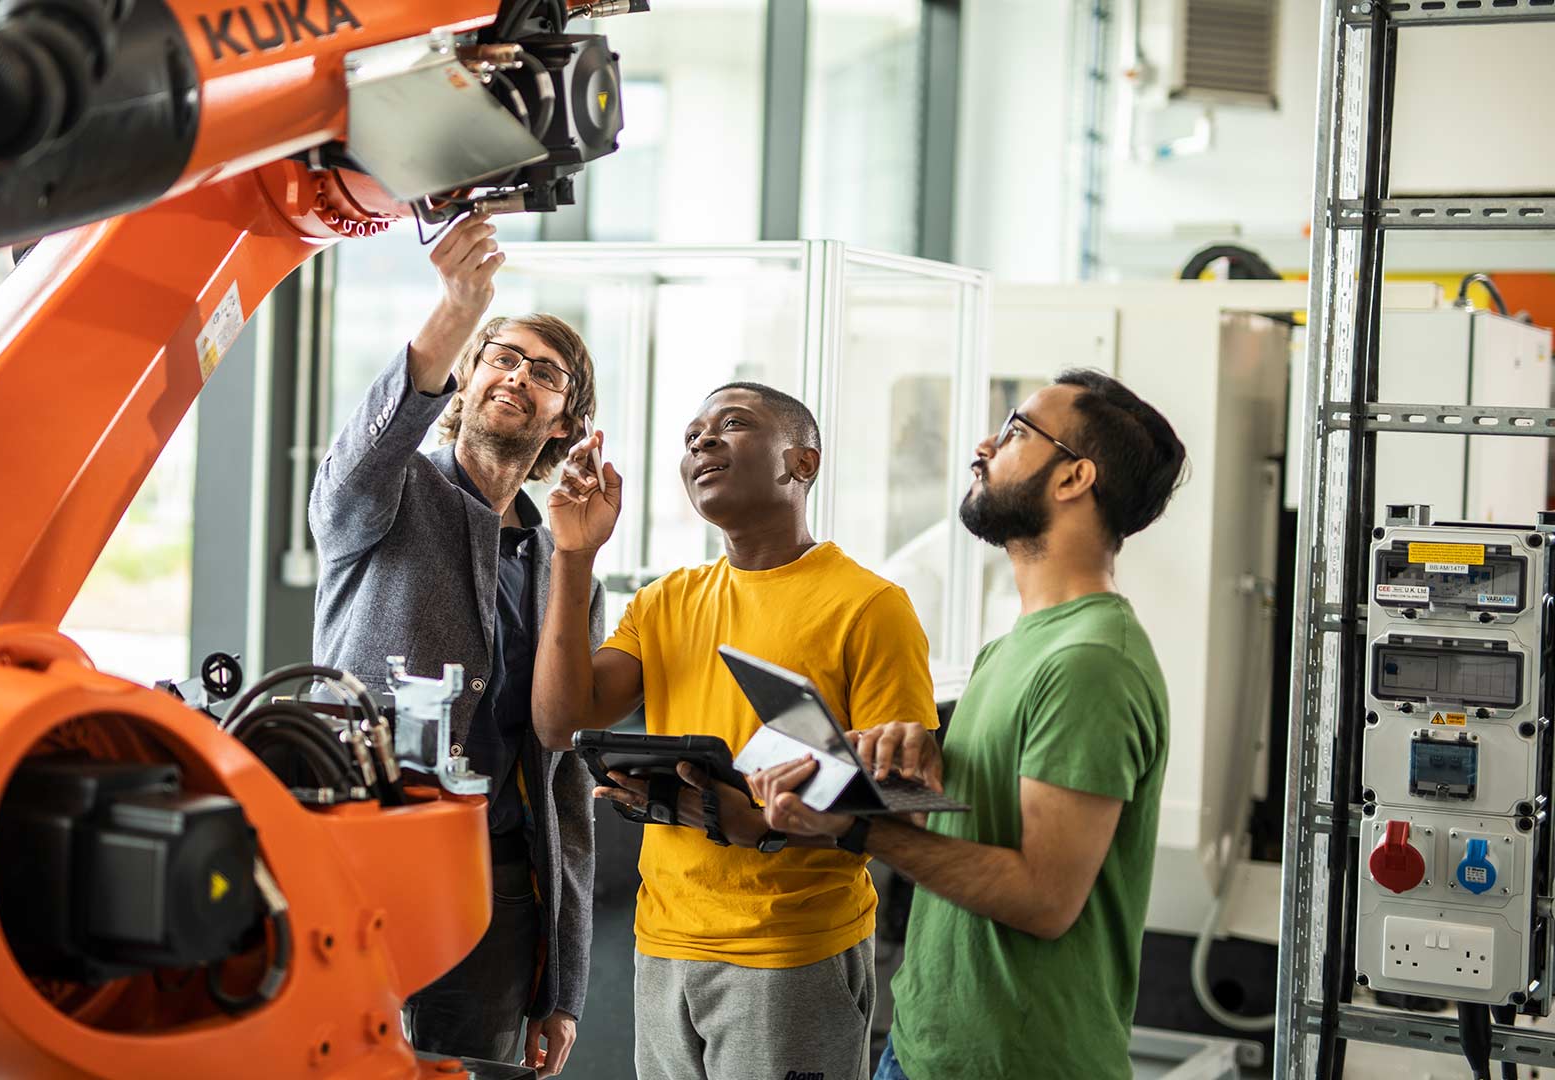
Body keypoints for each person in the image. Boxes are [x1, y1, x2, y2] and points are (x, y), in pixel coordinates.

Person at [749, 369, 1188, 1080]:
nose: (984, 445)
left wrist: (856, 829)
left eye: (1016, 431)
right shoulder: (1015, 645)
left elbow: (1044, 898)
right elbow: (971, 836)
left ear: (1074, 478)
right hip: (928, 1047)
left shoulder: (1091, 662)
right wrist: (893, 770)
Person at [532, 382, 939, 1080]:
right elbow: (562, 721)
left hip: (791, 952)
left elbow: (907, 798)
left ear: (801, 464)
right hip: (664, 942)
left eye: (732, 425)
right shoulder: (666, 600)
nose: (702, 441)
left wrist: (759, 823)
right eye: (693, 434)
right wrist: (573, 554)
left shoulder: (871, 606)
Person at [308, 212, 600, 1077]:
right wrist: (456, 310)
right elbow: (359, 463)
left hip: (494, 893)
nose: (517, 376)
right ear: (466, 382)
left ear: (561, 423)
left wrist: (565, 984)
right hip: (359, 866)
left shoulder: (561, 561)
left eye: (544, 374)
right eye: (501, 357)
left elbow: (565, 771)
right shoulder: (386, 497)